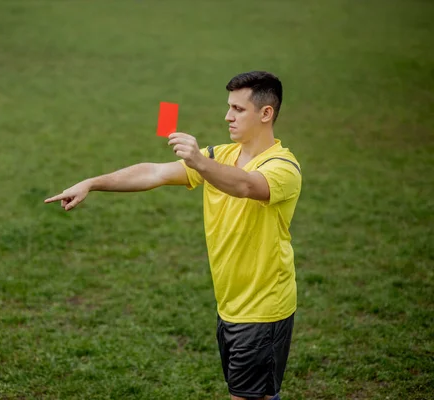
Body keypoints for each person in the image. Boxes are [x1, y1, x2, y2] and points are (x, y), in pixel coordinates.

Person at [45, 71, 302, 400]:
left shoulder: (283, 167)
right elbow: (154, 172)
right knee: (258, 394)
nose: (227, 116)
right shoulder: (220, 156)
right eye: (228, 107)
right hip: (232, 304)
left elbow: (245, 185)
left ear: (266, 113)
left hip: (264, 308)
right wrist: (92, 183)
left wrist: (198, 160)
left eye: (238, 109)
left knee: (246, 396)